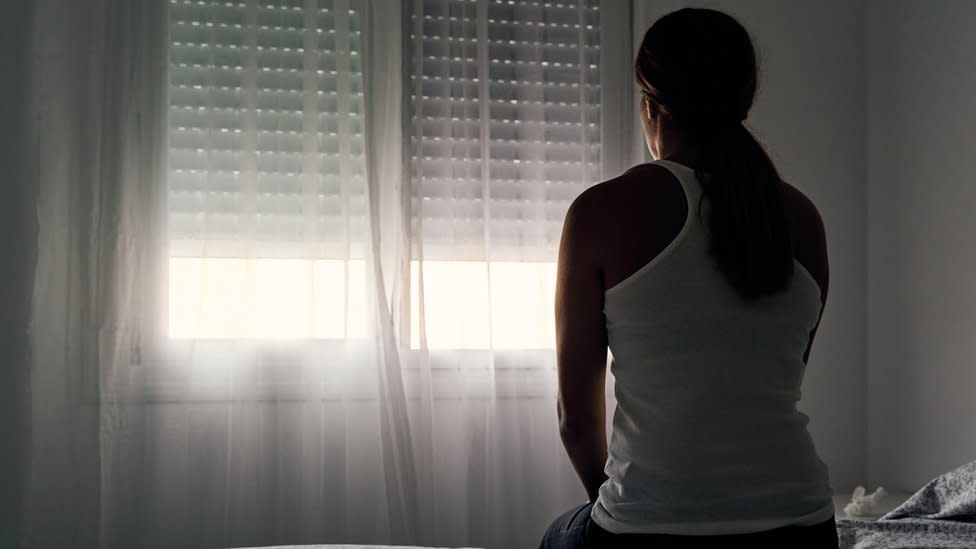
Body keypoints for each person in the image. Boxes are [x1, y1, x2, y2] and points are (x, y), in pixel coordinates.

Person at [540, 7, 839, 549]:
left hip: (649, 529)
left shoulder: (599, 213)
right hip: (803, 526)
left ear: (649, 104)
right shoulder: (802, 218)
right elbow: (771, 379)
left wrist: (624, 506)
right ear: (744, 103)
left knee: (555, 537)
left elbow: (575, 422)